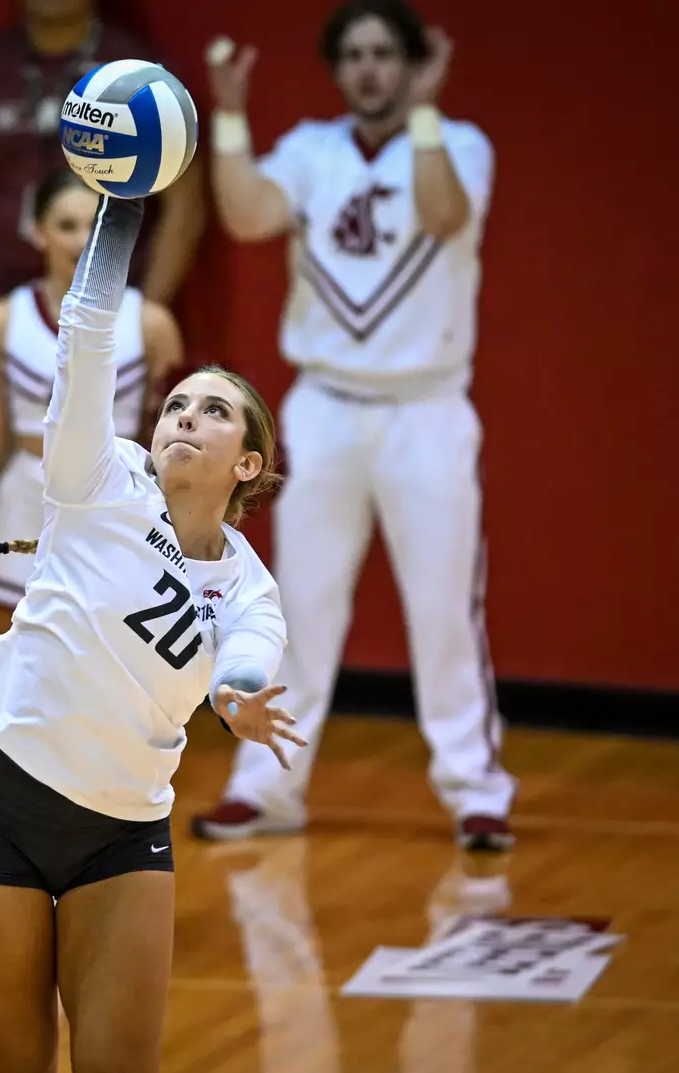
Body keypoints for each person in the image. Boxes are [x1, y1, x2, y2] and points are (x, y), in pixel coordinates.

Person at [0, 194, 301, 1073]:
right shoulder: (97, 477)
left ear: (246, 462)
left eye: (213, 411)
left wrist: (237, 694)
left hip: (121, 836)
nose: (183, 416)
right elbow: (87, 332)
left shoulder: (249, 584)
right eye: (176, 403)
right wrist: (122, 208)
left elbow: (252, 650)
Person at [191, 0, 516, 852]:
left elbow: (445, 217)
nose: (370, 68)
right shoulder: (309, 149)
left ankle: (475, 789)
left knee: (445, 608)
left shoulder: (462, 145)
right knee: (298, 604)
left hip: (428, 409)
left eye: (385, 54)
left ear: (412, 64)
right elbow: (249, 214)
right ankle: (267, 785)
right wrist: (227, 116)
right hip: (326, 405)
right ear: (338, 68)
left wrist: (430, 111)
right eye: (355, 55)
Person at [0, 170, 183, 734]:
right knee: (15, 632)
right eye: (65, 225)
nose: (80, 240)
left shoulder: (150, 321)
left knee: (112, 635)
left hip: (113, 496)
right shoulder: (0, 321)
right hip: (30, 486)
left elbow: (170, 440)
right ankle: (17, 736)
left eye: (93, 226)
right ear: (36, 230)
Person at [0, 0, 206, 308]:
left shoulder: (140, 75)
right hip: (7, 296)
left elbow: (185, 203)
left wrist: (144, 314)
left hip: (110, 298)